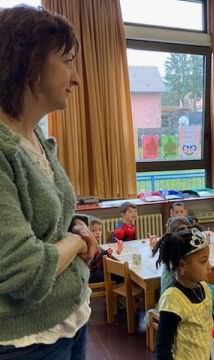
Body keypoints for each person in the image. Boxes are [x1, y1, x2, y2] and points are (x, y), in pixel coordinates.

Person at [0, 6, 98, 358]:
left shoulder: (35, 137)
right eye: (68, 61)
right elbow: (24, 268)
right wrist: (74, 242)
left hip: (70, 316)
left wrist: (76, 227)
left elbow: (49, 215)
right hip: (25, 340)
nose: (76, 79)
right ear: (31, 64)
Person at [155, 228, 213, 360]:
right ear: (182, 265)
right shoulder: (172, 299)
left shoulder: (204, 288)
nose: (209, 267)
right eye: (203, 261)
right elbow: (162, 349)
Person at [88, 218, 113, 283]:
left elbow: (99, 257)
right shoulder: (89, 245)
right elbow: (92, 264)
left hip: (96, 273)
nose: (98, 232)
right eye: (93, 230)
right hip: (91, 276)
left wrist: (105, 253)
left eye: (100, 230)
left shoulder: (95, 244)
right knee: (117, 274)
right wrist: (103, 254)